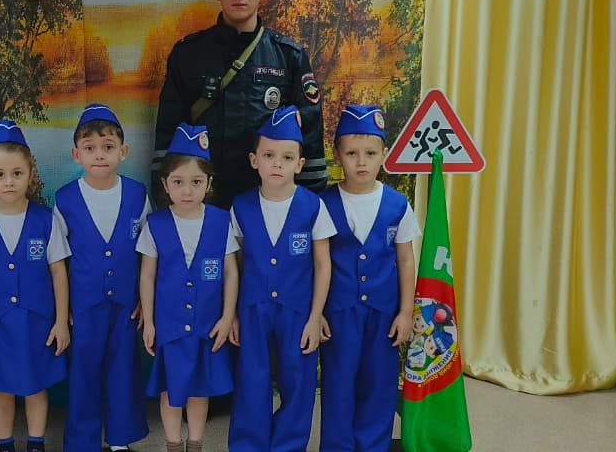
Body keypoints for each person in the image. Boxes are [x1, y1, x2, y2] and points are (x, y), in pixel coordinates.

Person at [153, 0, 327, 207]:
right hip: (204, 204)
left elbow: (309, 138)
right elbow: (169, 134)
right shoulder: (188, 55)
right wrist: (166, 199)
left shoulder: (289, 57)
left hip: (268, 204)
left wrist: (306, 207)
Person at [228, 105, 336, 452]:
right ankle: (249, 444)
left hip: (298, 310)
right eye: (269, 155)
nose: (277, 164)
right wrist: (233, 314)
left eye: (287, 157)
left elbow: (323, 265)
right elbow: (237, 264)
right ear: (254, 160)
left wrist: (316, 315)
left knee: (299, 380)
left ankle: (288, 444)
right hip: (253, 309)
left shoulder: (314, 206)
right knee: (252, 378)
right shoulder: (240, 207)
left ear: (299, 164)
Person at [318, 105, 420, 452]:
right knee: (338, 382)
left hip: (383, 313)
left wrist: (405, 312)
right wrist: (317, 313)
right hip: (340, 312)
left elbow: (405, 259)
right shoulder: (324, 204)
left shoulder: (397, 204)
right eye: (352, 154)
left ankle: (373, 445)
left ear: (384, 155)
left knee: (380, 383)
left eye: (370, 153)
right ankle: (337, 446)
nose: (361, 162)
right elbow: (317, 265)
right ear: (338, 155)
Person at [53, 104, 151, 452]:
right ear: (76, 154)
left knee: (123, 369)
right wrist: (63, 309)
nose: (99, 155)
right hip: (84, 306)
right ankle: (83, 442)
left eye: (108, 147)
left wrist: (145, 300)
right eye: (90, 148)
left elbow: (148, 253)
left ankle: (120, 439)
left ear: (123, 152)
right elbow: (58, 260)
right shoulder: (65, 199)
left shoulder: (138, 194)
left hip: (125, 304)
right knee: (84, 373)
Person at [137, 123, 239, 452]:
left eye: (196, 182)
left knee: (199, 390)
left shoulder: (221, 221)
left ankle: (195, 444)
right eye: (178, 182)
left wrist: (228, 316)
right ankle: (172, 444)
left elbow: (230, 272)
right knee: (170, 391)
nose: (187, 191)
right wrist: (149, 321)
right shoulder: (155, 224)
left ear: (208, 184)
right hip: (170, 327)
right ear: (165, 184)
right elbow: (147, 275)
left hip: (208, 326)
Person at [0, 120, 71, 452]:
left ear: (31, 173)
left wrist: (60, 321)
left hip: (36, 322)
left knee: (35, 385)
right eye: (0, 174)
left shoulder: (45, 219)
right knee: (0, 387)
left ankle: (36, 443)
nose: (9, 181)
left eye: (17, 173)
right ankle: (4, 444)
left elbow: (58, 272)